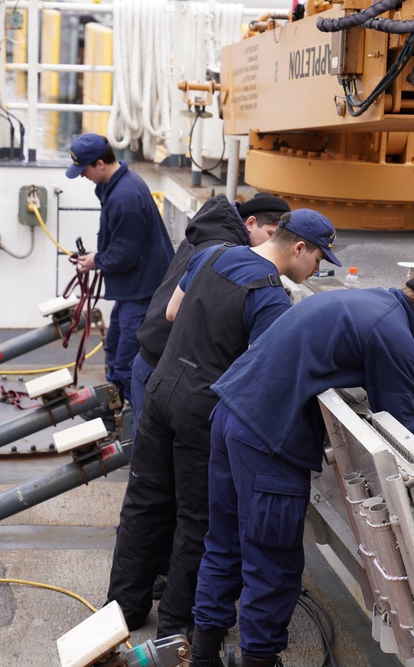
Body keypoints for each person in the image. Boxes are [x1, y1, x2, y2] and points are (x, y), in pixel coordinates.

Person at [190, 270, 414, 667]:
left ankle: (202, 650)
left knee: (224, 539)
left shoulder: (365, 300)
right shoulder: (393, 333)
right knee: (273, 561)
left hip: (229, 414)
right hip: (267, 441)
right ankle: (258, 659)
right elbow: (401, 428)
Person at [107, 209, 342, 640]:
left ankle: (122, 610)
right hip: (201, 405)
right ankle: (178, 624)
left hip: (161, 388)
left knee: (144, 502)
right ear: (299, 248)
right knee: (197, 519)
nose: (319, 268)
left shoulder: (214, 254)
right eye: (319, 259)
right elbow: (264, 367)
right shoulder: (270, 295)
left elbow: (175, 313)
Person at [129, 192, 291, 426]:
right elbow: (178, 313)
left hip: (156, 357)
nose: (271, 246)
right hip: (163, 365)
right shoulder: (225, 253)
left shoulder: (210, 234)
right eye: (269, 236)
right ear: (251, 222)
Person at [66, 133, 174, 408]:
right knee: (114, 349)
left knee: (128, 363)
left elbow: (125, 254)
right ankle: (112, 409)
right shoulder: (119, 186)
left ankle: (134, 425)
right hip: (133, 292)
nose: (82, 176)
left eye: (84, 170)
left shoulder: (124, 197)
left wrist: (96, 260)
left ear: (100, 164)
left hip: (141, 295)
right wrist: (99, 257)